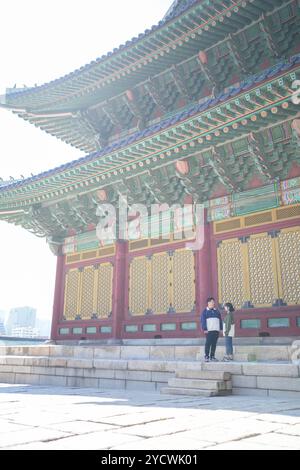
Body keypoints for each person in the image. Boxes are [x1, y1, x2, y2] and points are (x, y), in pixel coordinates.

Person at [201, 297, 223, 362]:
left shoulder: (217, 311)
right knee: (208, 343)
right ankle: (206, 356)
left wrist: (221, 328)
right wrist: (205, 328)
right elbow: (203, 321)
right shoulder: (205, 312)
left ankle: (212, 356)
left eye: (213, 302)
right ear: (208, 303)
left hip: (216, 330)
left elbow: (220, 320)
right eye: (212, 302)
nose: (213, 303)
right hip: (209, 330)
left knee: (214, 344)